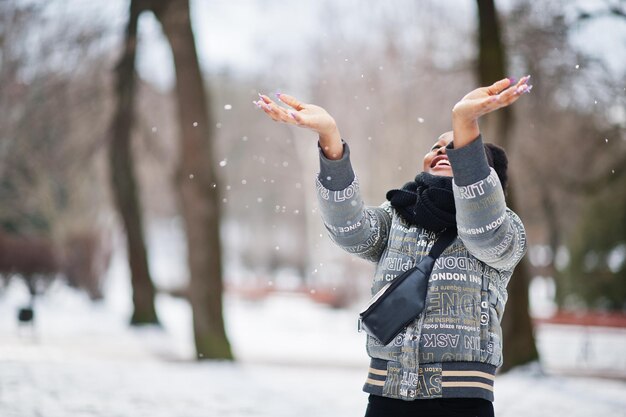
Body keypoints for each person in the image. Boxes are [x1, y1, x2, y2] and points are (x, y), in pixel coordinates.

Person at [254, 76, 531, 417]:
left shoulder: (505, 229)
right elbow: (349, 229)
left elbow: (480, 229)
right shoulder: (397, 216)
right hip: (386, 394)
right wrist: (331, 141)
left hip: (462, 401)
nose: (444, 150)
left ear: (487, 176)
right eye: (437, 146)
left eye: (458, 147)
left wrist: (465, 122)